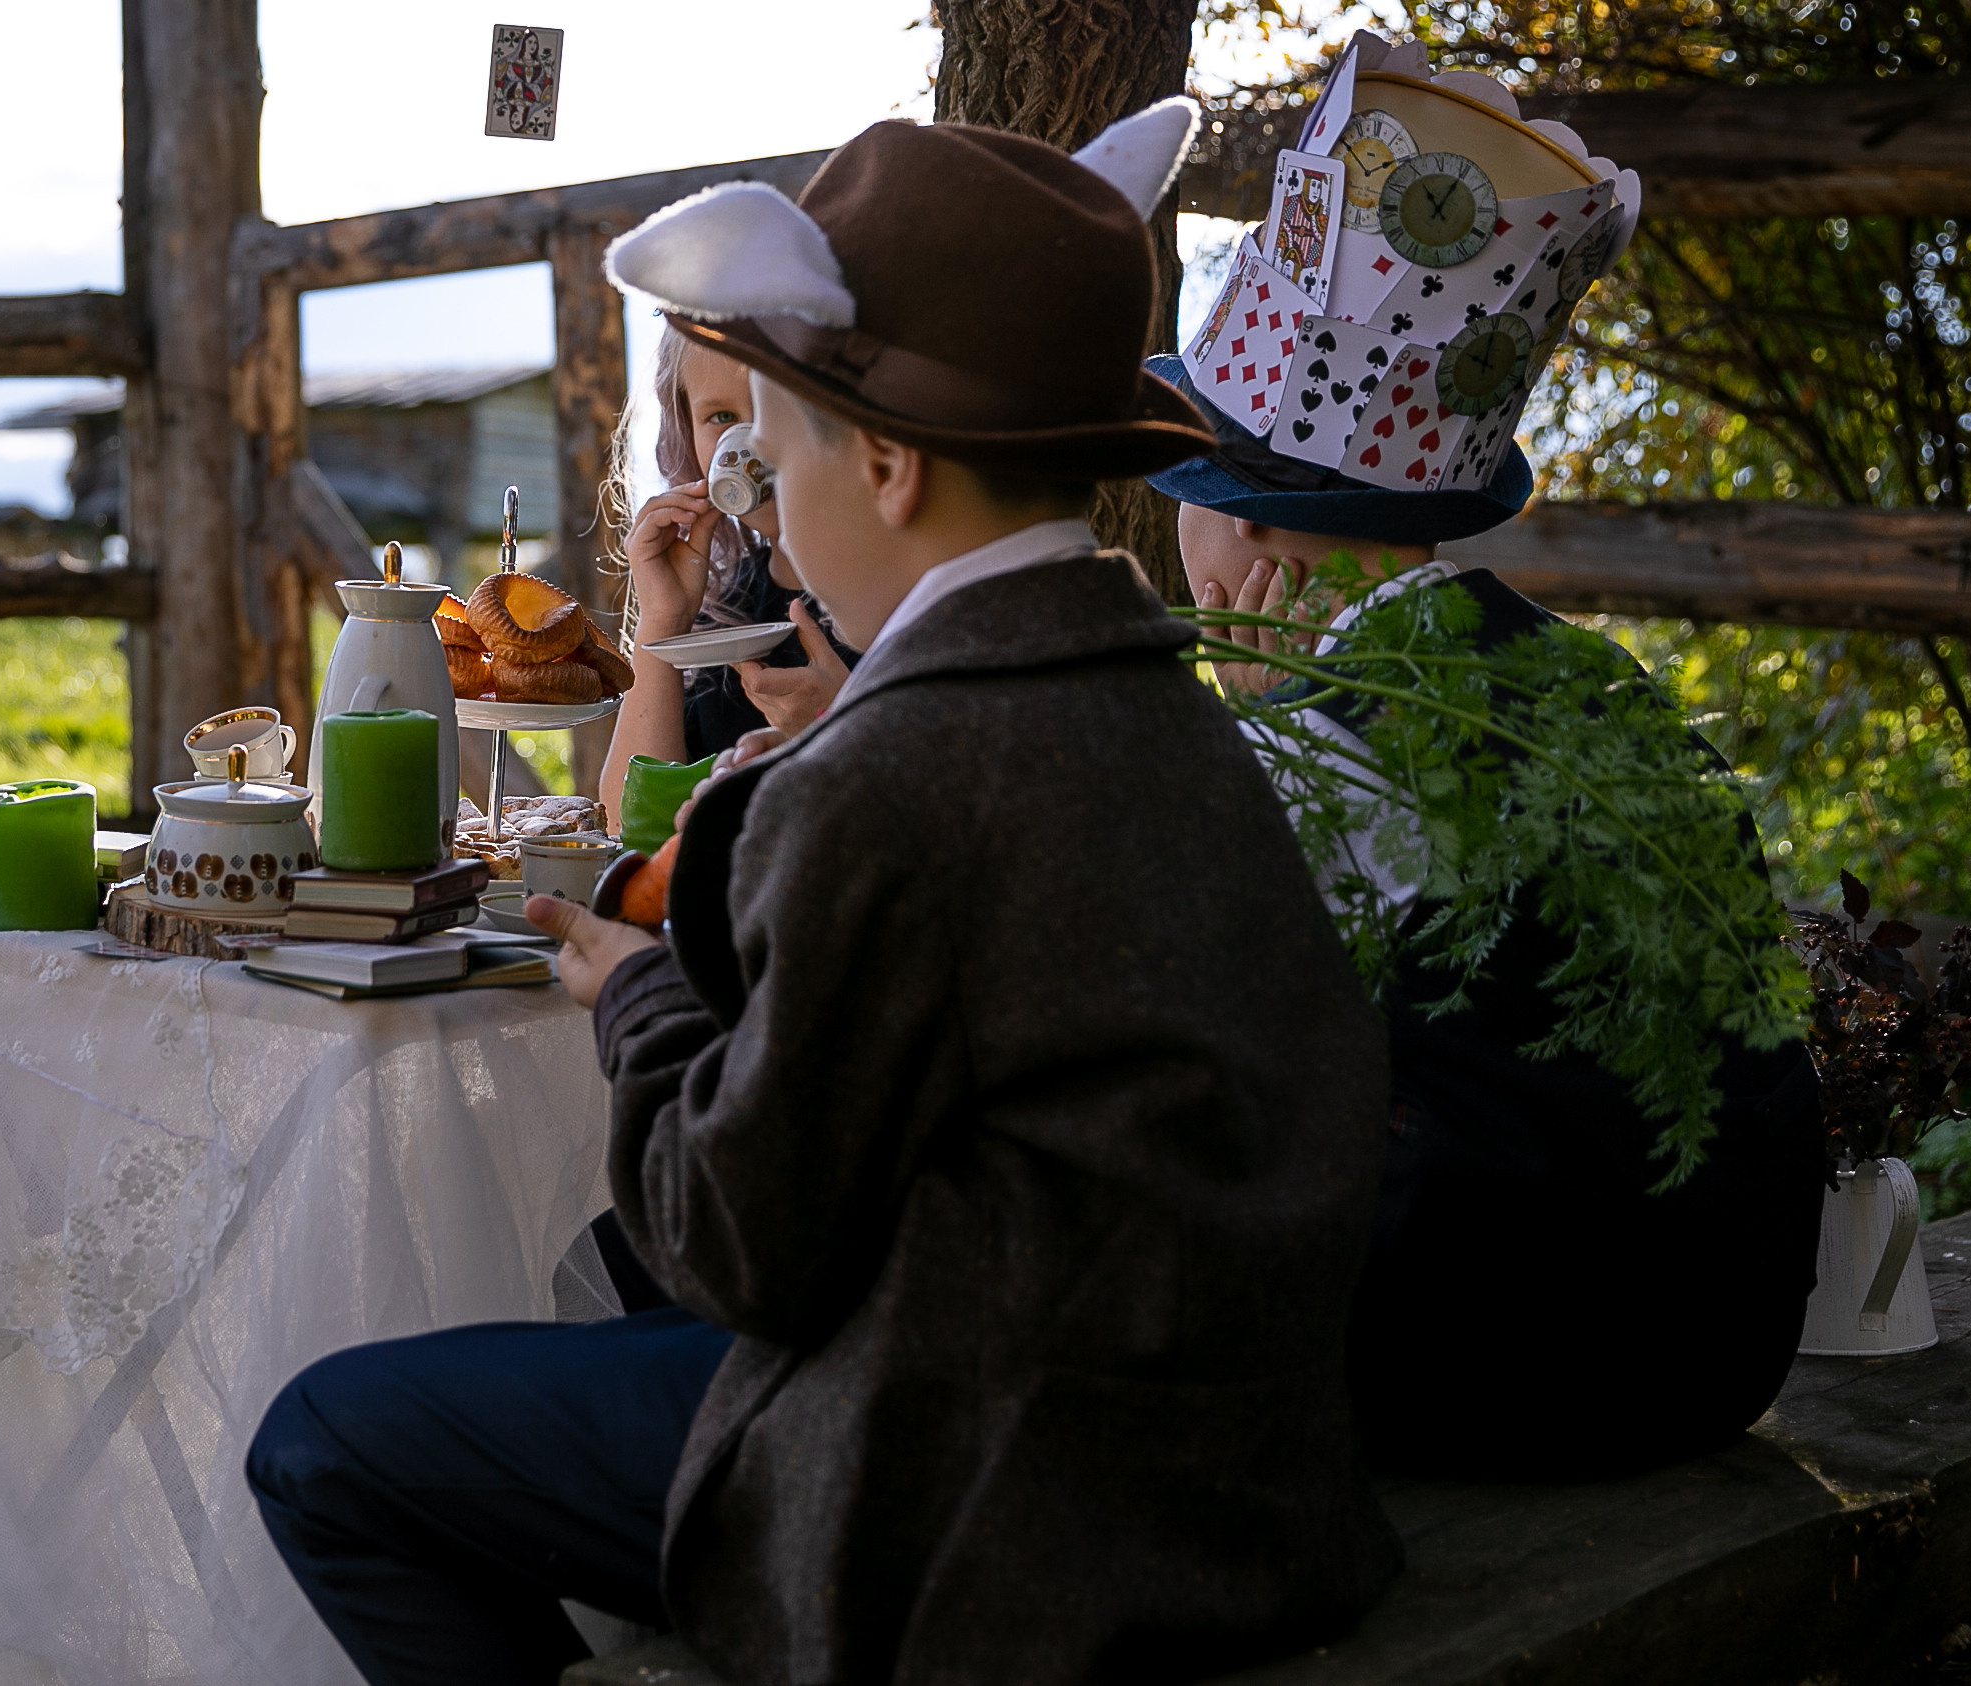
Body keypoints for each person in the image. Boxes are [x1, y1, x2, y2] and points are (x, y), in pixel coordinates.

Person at [249, 103, 1404, 1686]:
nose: (769, 516)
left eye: (776, 452)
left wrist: (633, 994)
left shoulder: (893, 773)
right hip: (1243, 1480)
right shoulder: (1172, 710)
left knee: (326, 1440)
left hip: (997, 1509)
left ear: (885, 460)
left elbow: (741, 1245)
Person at [1146, 33, 1824, 1477]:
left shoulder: (1316, 745)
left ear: (1244, 518)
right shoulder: (1595, 681)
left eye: (1178, 491)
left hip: (1490, 1375)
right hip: (1712, 1344)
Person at [598, 329, 855, 831]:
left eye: (779, 406)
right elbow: (626, 825)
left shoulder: (899, 597)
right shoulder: (725, 608)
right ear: (690, 442)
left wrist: (838, 722)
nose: (755, 442)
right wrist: (663, 621)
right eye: (722, 418)